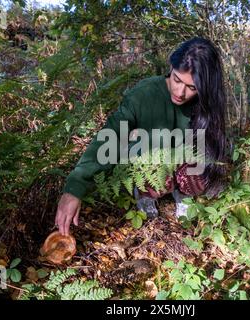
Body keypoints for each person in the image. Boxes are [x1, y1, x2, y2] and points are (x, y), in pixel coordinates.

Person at [55, 37, 231, 236]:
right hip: (149, 162)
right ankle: (145, 194)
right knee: (152, 161)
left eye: (191, 87)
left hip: (182, 161)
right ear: (170, 68)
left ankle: (183, 196)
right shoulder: (144, 93)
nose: (180, 92)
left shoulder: (205, 105)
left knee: (200, 167)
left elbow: (212, 147)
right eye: (177, 79)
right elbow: (111, 136)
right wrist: (75, 187)